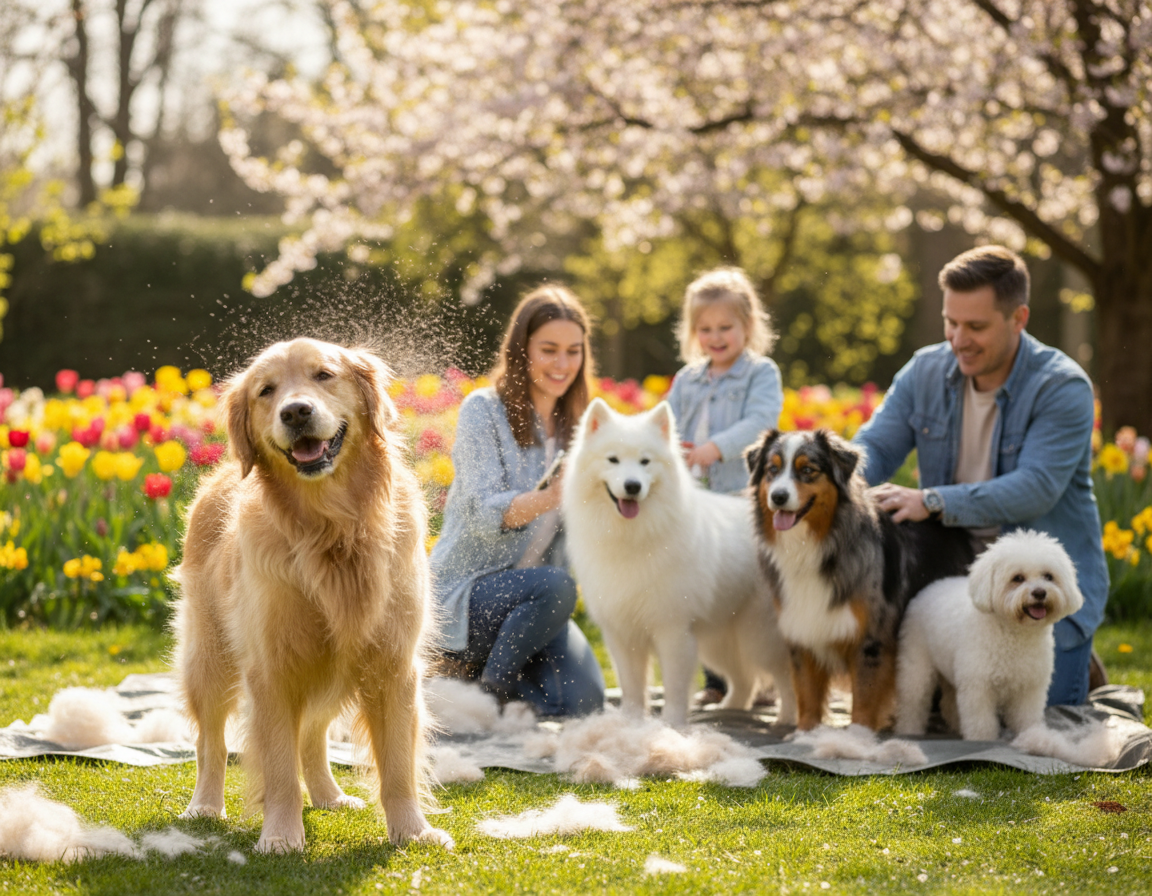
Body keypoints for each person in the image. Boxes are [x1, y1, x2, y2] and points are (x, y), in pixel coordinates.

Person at [854, 245, 1109, 706]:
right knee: (925, 712)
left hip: (1036, 596)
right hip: (949, 590)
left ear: (1019, 318)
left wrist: (932, 500)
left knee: (1038, 724)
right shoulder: (924, 371)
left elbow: (1036, 487)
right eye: (951, 322)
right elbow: (874, 447)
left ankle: (1079, 658)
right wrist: (827, 479)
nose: (958, 339)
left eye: (976, 326)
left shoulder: (1062, 387)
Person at [429, 285, 605, 717]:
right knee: (555, 586)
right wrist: (550, 498)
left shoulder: (579, 427)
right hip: (468, 595)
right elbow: (482, 511)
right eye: (548, 350)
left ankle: (467, 677)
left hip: (537, 608)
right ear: (521, 348)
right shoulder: (483, 410)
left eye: (573, 351)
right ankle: (491, 693)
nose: (562, 364)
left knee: (583, 702)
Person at [665, 267, 784, 706]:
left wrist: (715, 448)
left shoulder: (759, 373)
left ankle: (770, 677)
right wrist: (672, 447)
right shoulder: (687, 379)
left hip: (738, 501)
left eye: (725, 327)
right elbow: (668, 421)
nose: (715, 337)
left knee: (750, 588)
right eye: (705, 329)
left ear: (748, 326)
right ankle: (718, 681)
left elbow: (761, 423)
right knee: (702, 588)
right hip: (696, 504)